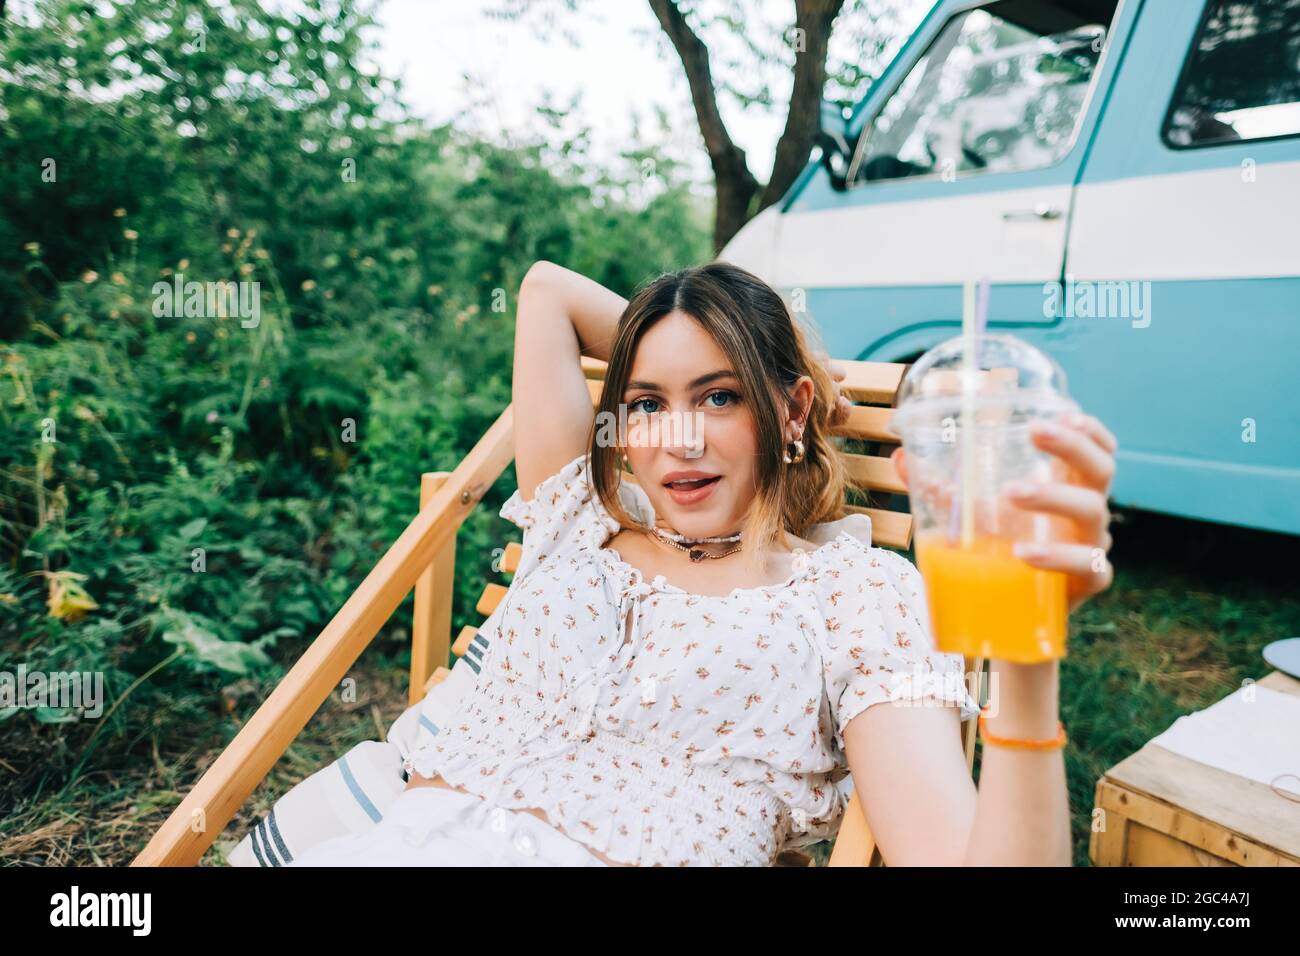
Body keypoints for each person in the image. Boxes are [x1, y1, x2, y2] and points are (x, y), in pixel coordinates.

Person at [290, 260, 1116, 867]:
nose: (678, 441)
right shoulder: (580, 511)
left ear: (788, 410)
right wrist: (734, 362)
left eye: (720, 397)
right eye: (646, 404)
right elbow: (546, 290)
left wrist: (1026, 658)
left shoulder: (852, 594)